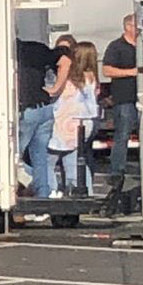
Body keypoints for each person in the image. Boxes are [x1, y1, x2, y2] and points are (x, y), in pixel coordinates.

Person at [103, 13, 143, 197]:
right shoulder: (116, 47)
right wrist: (131, 72)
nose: (140, 30)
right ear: (127, 27)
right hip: (125, 99)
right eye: (137, 26)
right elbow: (107, 69)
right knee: (122, 135)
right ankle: (117, 173)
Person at [14, 35, 68, 200]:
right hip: (45, 108)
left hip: (28, 110)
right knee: (40, 158)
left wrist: (55, 89)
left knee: (14, 156)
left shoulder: (13, 52)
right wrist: (55, 89)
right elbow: (65, 61)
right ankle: (42, 198)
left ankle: (17, 193)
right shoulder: (37, 47)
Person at [52, 39, 100, 194]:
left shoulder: (72, 78)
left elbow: (58, 94)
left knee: (47, 160)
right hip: (86, 122)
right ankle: (84, 192)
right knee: (73, 160)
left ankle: (51, 190)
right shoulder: (91, 77)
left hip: (68, 122)